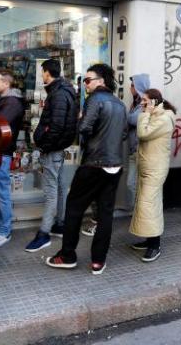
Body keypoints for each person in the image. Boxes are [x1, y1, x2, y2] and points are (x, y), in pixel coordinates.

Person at [46, 64, 127, 274]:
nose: (85, 84)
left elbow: (83, 128)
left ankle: (67, 254)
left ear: (101, 81)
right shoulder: (119, 104)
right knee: (105, 214)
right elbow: (124, 134)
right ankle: (98, 261)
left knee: (74, 208)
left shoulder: (95, 100)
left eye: (88, 80)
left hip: (93, 164)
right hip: (115, 165)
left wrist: (83, 120)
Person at [26, 59, 78, 252]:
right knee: (60, 186)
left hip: (53, 149)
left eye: (42, 72)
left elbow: (56, 126)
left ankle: (44, 233)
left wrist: (45, 145)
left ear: (48, 72)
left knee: (51, 190)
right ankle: (60, 224)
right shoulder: (66, 91)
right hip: (59, 148)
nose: (41, 76)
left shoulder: (58, 94)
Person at [129, 88, 176, 262]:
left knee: (147, 204)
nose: (142, 103)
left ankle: (154, 245)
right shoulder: (156, 115)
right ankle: (149, 239)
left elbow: (143, 133)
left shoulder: (164, 118)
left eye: (145, 101)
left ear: (155, 102)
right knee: (148, 204)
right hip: (148, 167)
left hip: (155, 168)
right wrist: (147, 113)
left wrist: (145, 114)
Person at [0, 69, 24, 248]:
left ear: (6, 83)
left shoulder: (12, 103)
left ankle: (5, 230)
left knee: (1, 194)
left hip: (2, 152)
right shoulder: (1, 101)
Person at [126, 74, 152, 210]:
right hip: (133, 149)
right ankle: (137, 210)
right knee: (133, 183)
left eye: (132, 85)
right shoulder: (136, 102)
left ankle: (138, 211)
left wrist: (126, 115)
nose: (130, 88)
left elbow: (134, 120)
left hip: (141, 149)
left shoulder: (145, 102)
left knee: (134, 183)